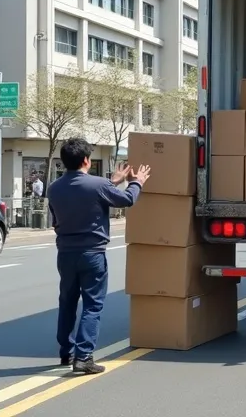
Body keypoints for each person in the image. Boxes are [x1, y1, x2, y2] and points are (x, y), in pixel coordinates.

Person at [47, 137, 150, 374]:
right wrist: (137, 182)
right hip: (92, 253)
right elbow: (127, 200)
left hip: (65, 254)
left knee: (67, 301)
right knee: (93, 305)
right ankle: (84, 357)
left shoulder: (54, 188)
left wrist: (112, 181)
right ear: (86, 160)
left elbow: (58, 218)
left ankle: (67, 351)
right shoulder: (97, 185)